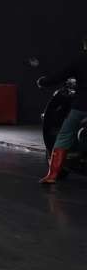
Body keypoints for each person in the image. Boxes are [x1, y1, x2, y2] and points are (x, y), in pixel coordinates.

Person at [35, 40, 87, 183]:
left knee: (64, 135)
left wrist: (42, 82)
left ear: (85, 45)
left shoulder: (80, 60)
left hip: (82, 106)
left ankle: (52, 175)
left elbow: (58, 77)